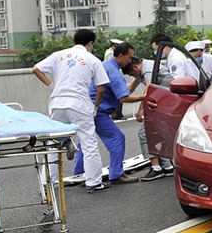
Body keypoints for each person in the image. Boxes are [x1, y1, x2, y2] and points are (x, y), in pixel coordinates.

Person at [32, 29, 111, 193]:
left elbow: (35, 69)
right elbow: (101, 88)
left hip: (57, 103)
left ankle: (47, 183)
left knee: (53, 144)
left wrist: (51, 86)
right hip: (79, 104)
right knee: (89, 143)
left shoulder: (58, 55)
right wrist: (95, 107)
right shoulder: (92, 59)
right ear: (90, 44)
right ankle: (93, 182)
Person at [74, 42, 146, 185]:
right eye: (129, 57)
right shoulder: (114, 72)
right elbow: (123, 97)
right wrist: (145, 97)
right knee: (117, 137)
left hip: (85, 108)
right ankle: (116, 174)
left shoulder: (104, 65)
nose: (130, 61)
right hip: (97, 111)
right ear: (121, 55)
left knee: (86, 141)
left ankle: (79, 175)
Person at [122, 56, 175, 181]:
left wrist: (141, 110)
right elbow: (131, 88)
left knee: (145, 134)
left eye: (132, 73)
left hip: (164, 102)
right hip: (164, 102)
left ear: (136, 67)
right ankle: (167, 166)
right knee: (159, 133)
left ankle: (156, 167)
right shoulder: (143, 68)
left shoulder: (148, 70)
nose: (134, 76)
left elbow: (148, 92)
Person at [104, 39, 126, 120]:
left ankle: (117, 113)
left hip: (111, 75)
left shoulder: (108, 52)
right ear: (113, 45)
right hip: (113, 76)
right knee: (120, 94)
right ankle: (117, 114)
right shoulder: (110, 53)